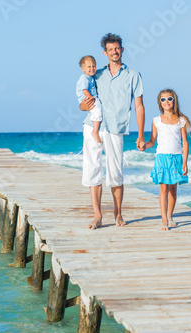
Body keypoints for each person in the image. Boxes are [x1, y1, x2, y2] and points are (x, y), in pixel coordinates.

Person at [79, 33, 145, 229]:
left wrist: (141, 134)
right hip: (93, 126)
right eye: (110, 49)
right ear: (105, 52)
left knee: (115, 171)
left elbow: (139, 106)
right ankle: (97, 216)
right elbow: (83, 104)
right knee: (93, 169)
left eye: (117, 48)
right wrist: (83, 107)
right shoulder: (96, 75)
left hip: (116, 127)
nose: (114, 52)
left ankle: (118, 213)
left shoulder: (133, 75)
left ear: (122, 50)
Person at [144, 89, 191, 231]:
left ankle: (170, 216)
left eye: (169, 99)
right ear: (159, 103)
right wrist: (144, 146)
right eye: (163, 99)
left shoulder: (181, 120)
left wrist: (185, 161)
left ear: (174, 101)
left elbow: (185, 142)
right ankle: (164, 219)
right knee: (163, 188)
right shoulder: (156, 121)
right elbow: (152, 141)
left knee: (173, 189)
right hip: (162, 157)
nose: (166, 102)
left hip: (176, 157)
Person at [76, 55, 102, 143]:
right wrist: (90, 97)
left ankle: (95, 128)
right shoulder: (84, 78)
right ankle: (94, 131)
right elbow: (84, 90)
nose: (92, 68)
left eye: (94, 66)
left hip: (91, 98)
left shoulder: (90, 77)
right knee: (97, 111)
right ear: (83, 69)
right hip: (88, 98)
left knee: (96, 111)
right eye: (89, 67)